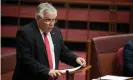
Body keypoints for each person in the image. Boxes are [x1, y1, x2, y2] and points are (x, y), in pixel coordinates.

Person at [12, 2, 86, 80]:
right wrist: (47, 71)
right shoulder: (25, 33)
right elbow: (26, 59)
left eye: (54, 20)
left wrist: (76, 59)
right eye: (48, 20)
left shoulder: (56, 32)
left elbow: (63, 52)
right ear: (38, 18)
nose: (52, 24)